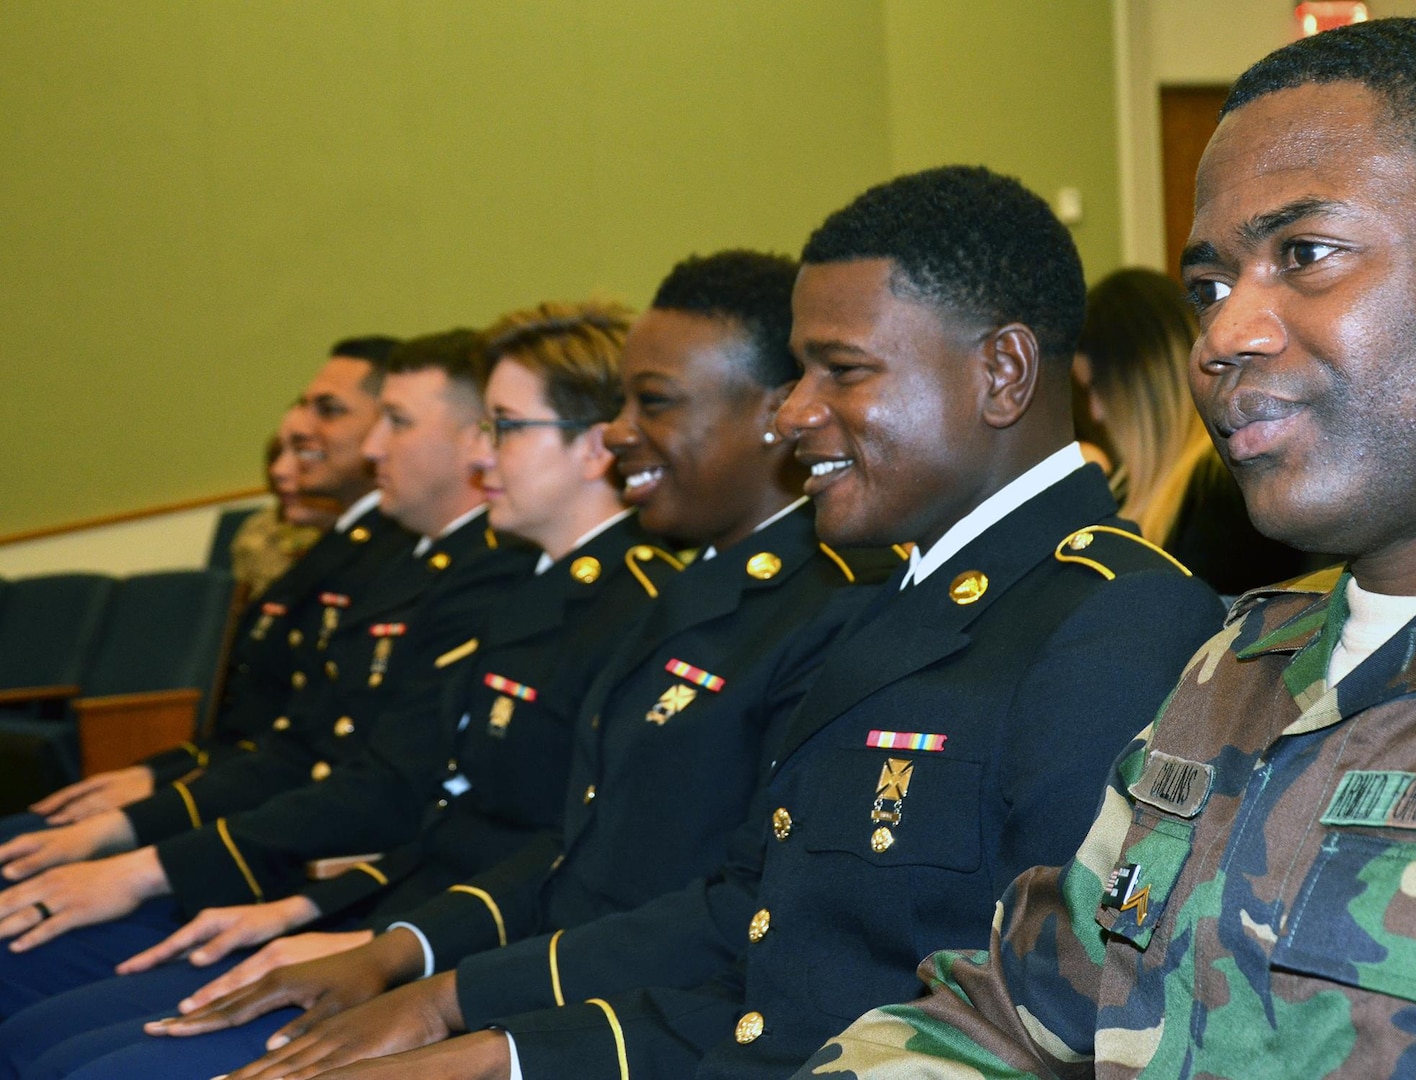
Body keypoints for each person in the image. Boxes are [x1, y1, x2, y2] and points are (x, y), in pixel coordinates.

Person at [159, 167, 1227, 1080]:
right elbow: (752, 924)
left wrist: (501, 1043)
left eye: (840, 371)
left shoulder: (1113, 627)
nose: (794, 410)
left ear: (999, 373)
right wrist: (467, 1018)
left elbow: (1031, 1032)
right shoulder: (896, 597)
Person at [797, 18, 1416, 1078]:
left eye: (1304, 256)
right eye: (1208, 288)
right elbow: (1002, 1016)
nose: (1223, 336)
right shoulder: (1238, 662)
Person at [17, 251, 895, 1079]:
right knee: (52, 1043)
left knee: (84, 1059)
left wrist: (451, 1002)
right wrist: (394, 952)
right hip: (516, 971)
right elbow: (571, 848)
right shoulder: (689, 587)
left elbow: (733, 912)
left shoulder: (826, 606)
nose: (617, 434)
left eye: (652, 403)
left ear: (773, 410)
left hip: (601, 1021)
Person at [0, 300, 675, 1077]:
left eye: (503, 427)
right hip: (400, 919)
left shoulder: (640, 607)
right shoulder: (531, 590)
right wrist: (309, 910)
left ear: (595, 449)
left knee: (85, 1064)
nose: (479, 457)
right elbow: (446, 818)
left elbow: (566, 856)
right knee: (45, 1044)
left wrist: (390, 947)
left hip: (484, 965)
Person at [2, 339, 411, 842]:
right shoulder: (344, 549)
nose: (299, 429)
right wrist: (156, 774)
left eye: (327, 410)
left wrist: (141, 827)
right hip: (250, 793)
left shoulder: (397, 557)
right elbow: (253, 728)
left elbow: (312, 754)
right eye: (303, 407)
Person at [1075, 266, 1314, 593]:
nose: (1095, 413)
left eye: (1096, 387)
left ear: (1142, 381)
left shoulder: (1222, 494)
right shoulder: (1137, 487)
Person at [226, 427, 337, 605]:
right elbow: (238, 604)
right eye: (275, 458)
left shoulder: (341, 524)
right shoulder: (256, 527)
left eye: (299, 457)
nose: (278, 471)